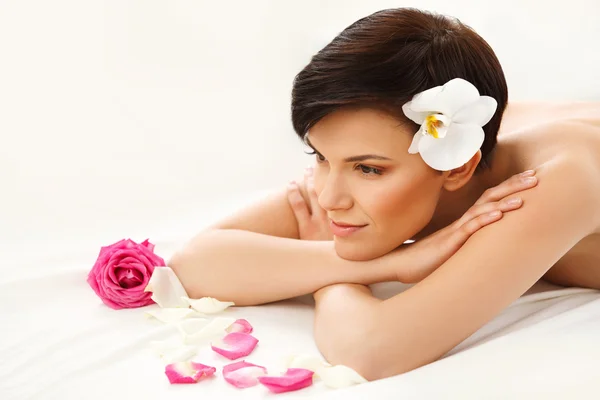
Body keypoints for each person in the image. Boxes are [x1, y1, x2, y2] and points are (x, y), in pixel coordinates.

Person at [168, 8, 600, 380]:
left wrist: (331, 272)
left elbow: (371, 351)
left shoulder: (553, 181)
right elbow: (195, 265)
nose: (328, 197)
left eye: (368, 169)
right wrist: (394, 262)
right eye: (319, 156)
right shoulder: (400, 148)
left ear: (458, 165)